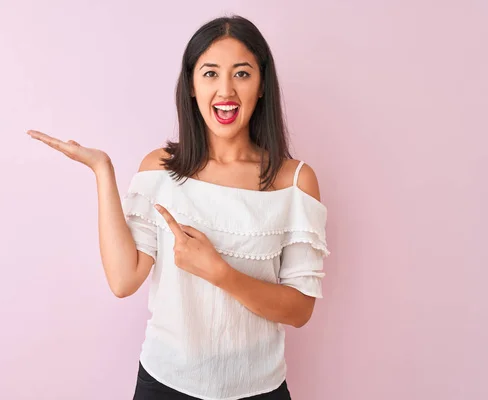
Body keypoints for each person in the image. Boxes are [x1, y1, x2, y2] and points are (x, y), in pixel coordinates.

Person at [27, 14, 330, 400]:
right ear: (190, 85)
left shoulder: (296, 183)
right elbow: (123, 280)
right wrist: (102, 170)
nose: (225, 90)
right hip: (165, 383)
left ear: (262, 85)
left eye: (241, 74)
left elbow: (300, 310)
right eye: (209, 74)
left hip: (260, 388)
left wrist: (220, 272)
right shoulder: (160, 170)